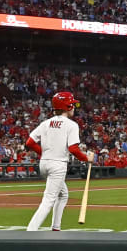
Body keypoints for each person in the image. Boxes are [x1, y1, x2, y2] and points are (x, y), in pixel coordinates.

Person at [26, 92, 93, 231]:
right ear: (67, 106)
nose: (74, 107)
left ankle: (56, 227)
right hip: (57, 165)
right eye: (73, 104)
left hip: (44, 164)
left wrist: (44, 153)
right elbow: (73, 149)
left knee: (63, 194)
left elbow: (30, 142)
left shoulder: (46, 123)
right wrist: (87, 158)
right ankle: (30, 231)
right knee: (48, 201)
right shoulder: (72, 125)